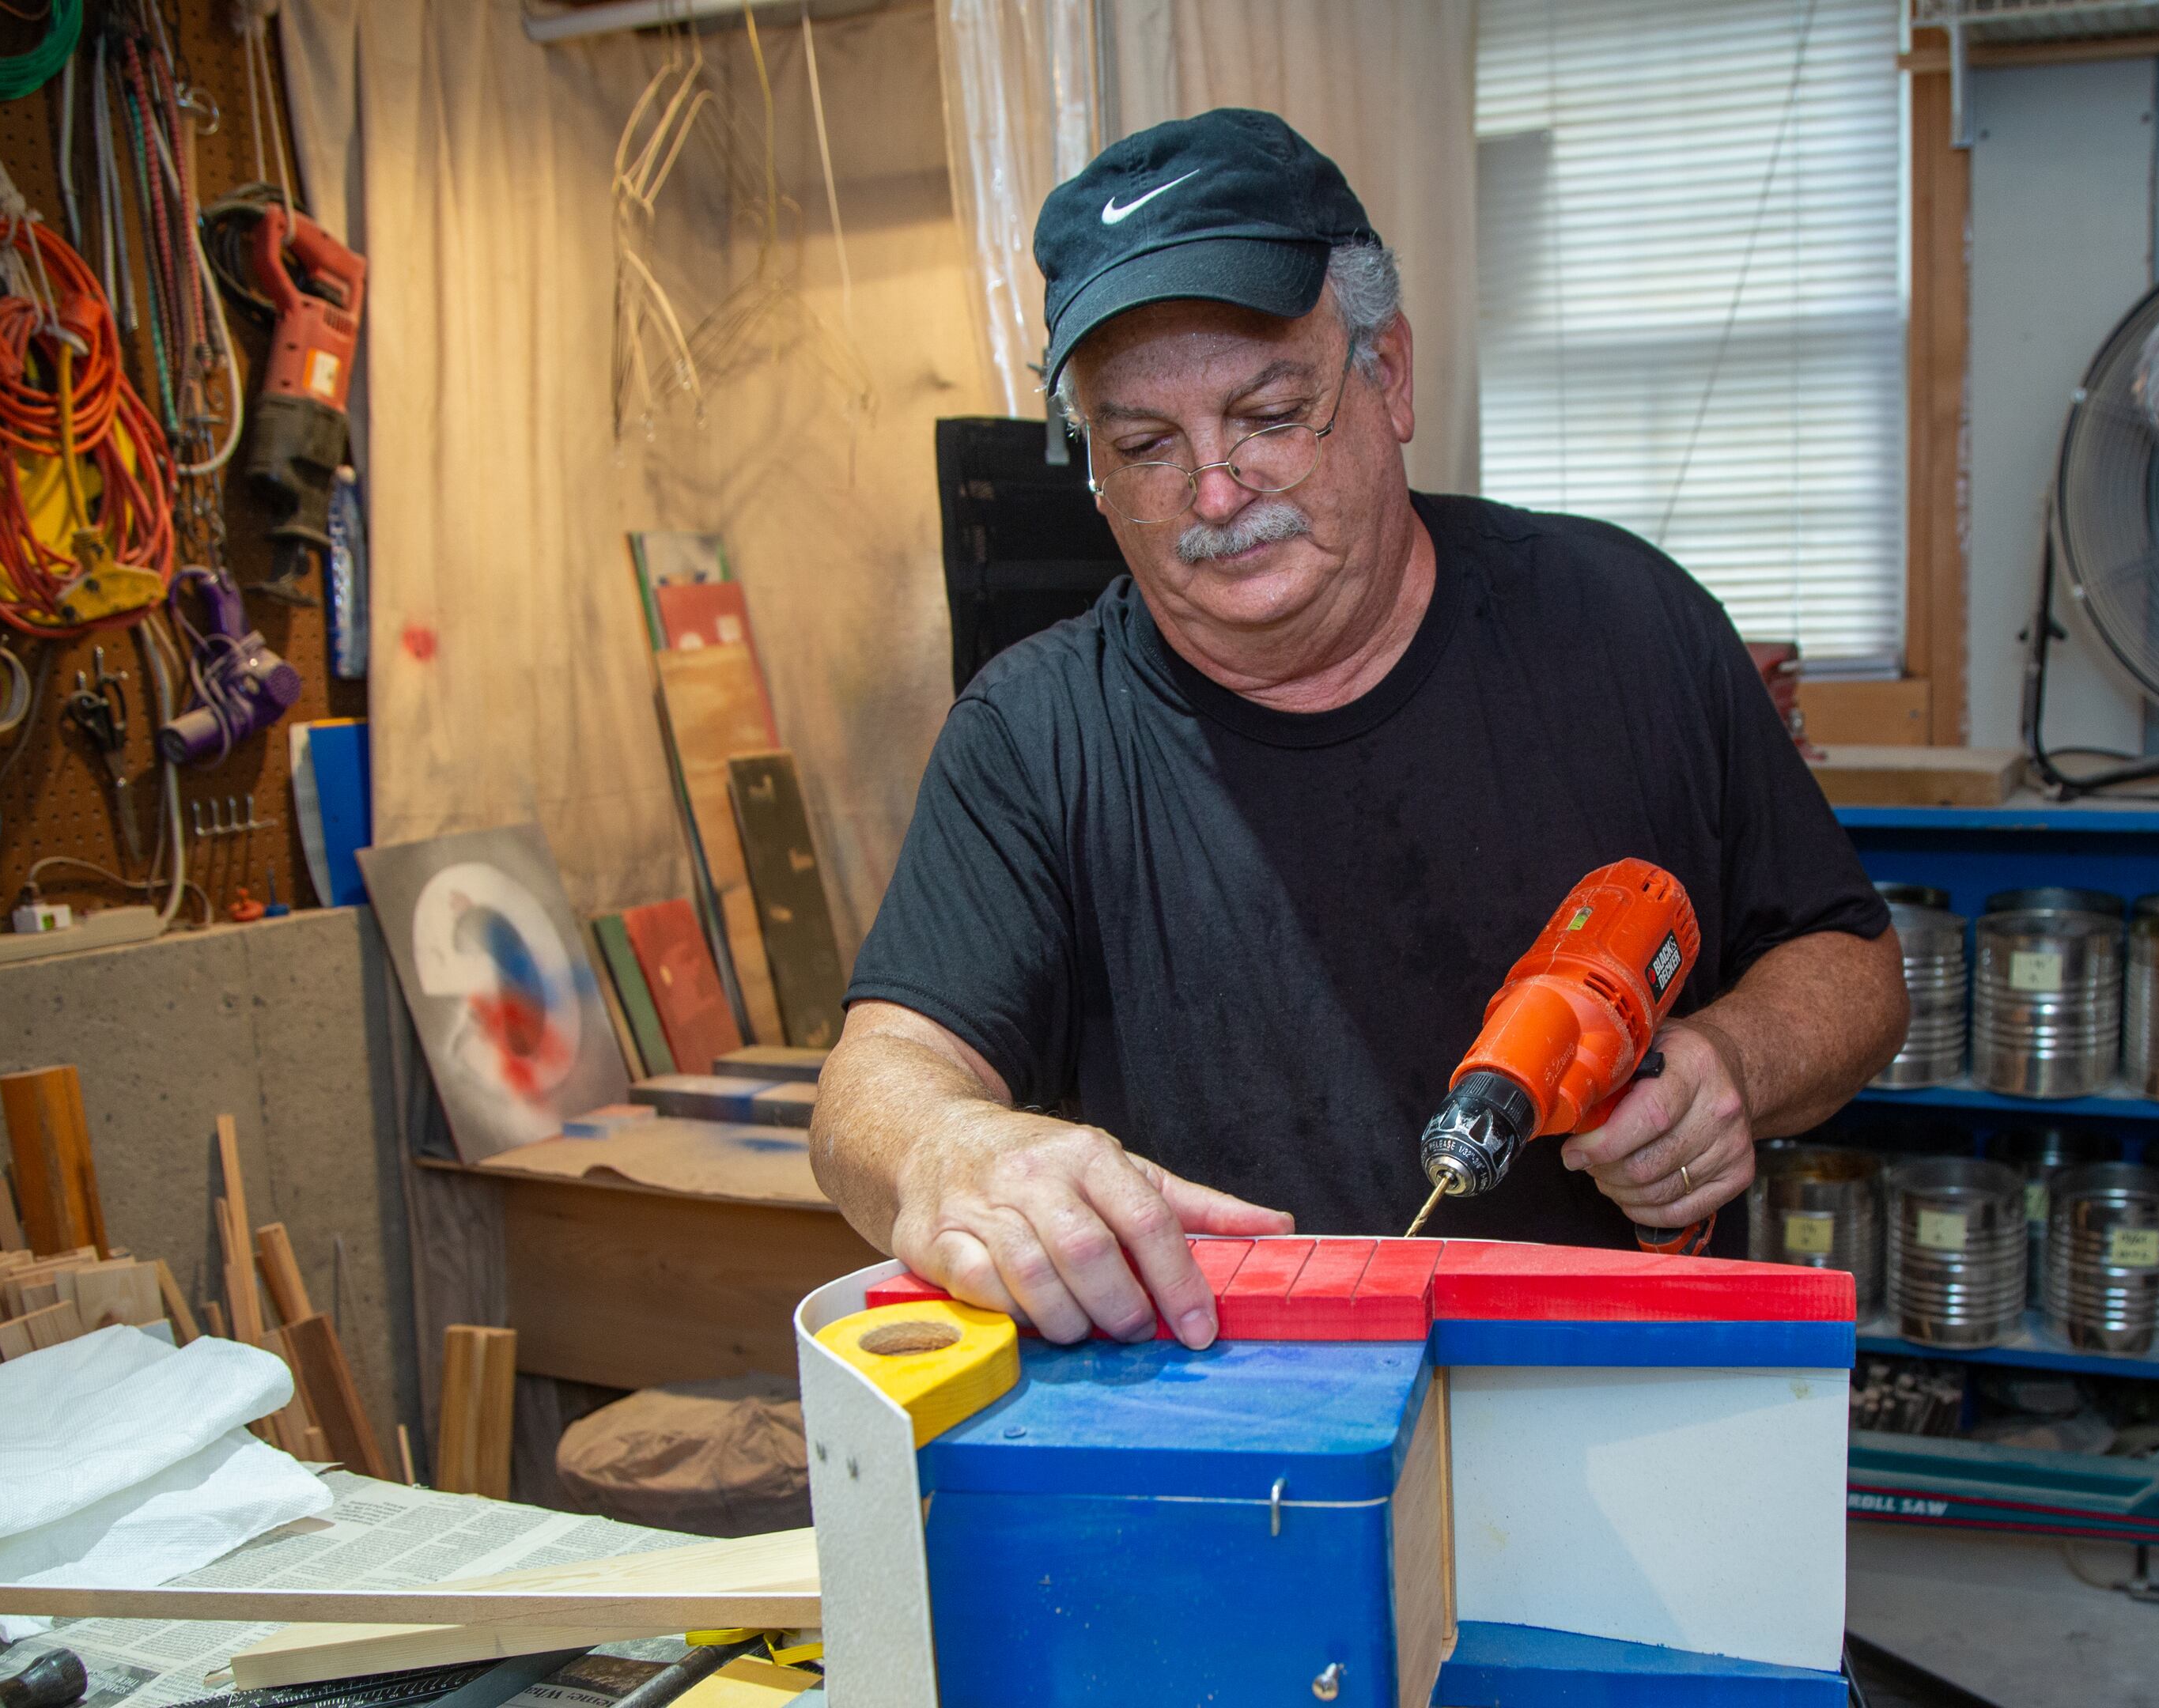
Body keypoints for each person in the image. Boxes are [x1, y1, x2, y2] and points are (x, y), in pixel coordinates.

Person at [811, 108, 1905, 1349]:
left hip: (1618, 1385)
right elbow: (871, 1086)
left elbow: (1854, 965)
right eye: (1147, 446)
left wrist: (1736, 1065)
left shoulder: (1627, 625)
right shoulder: (1033, 736)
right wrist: (947, 1144)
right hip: (1230, 1416)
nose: (1215, 494)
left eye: (1271, 415)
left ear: (1389, 375)